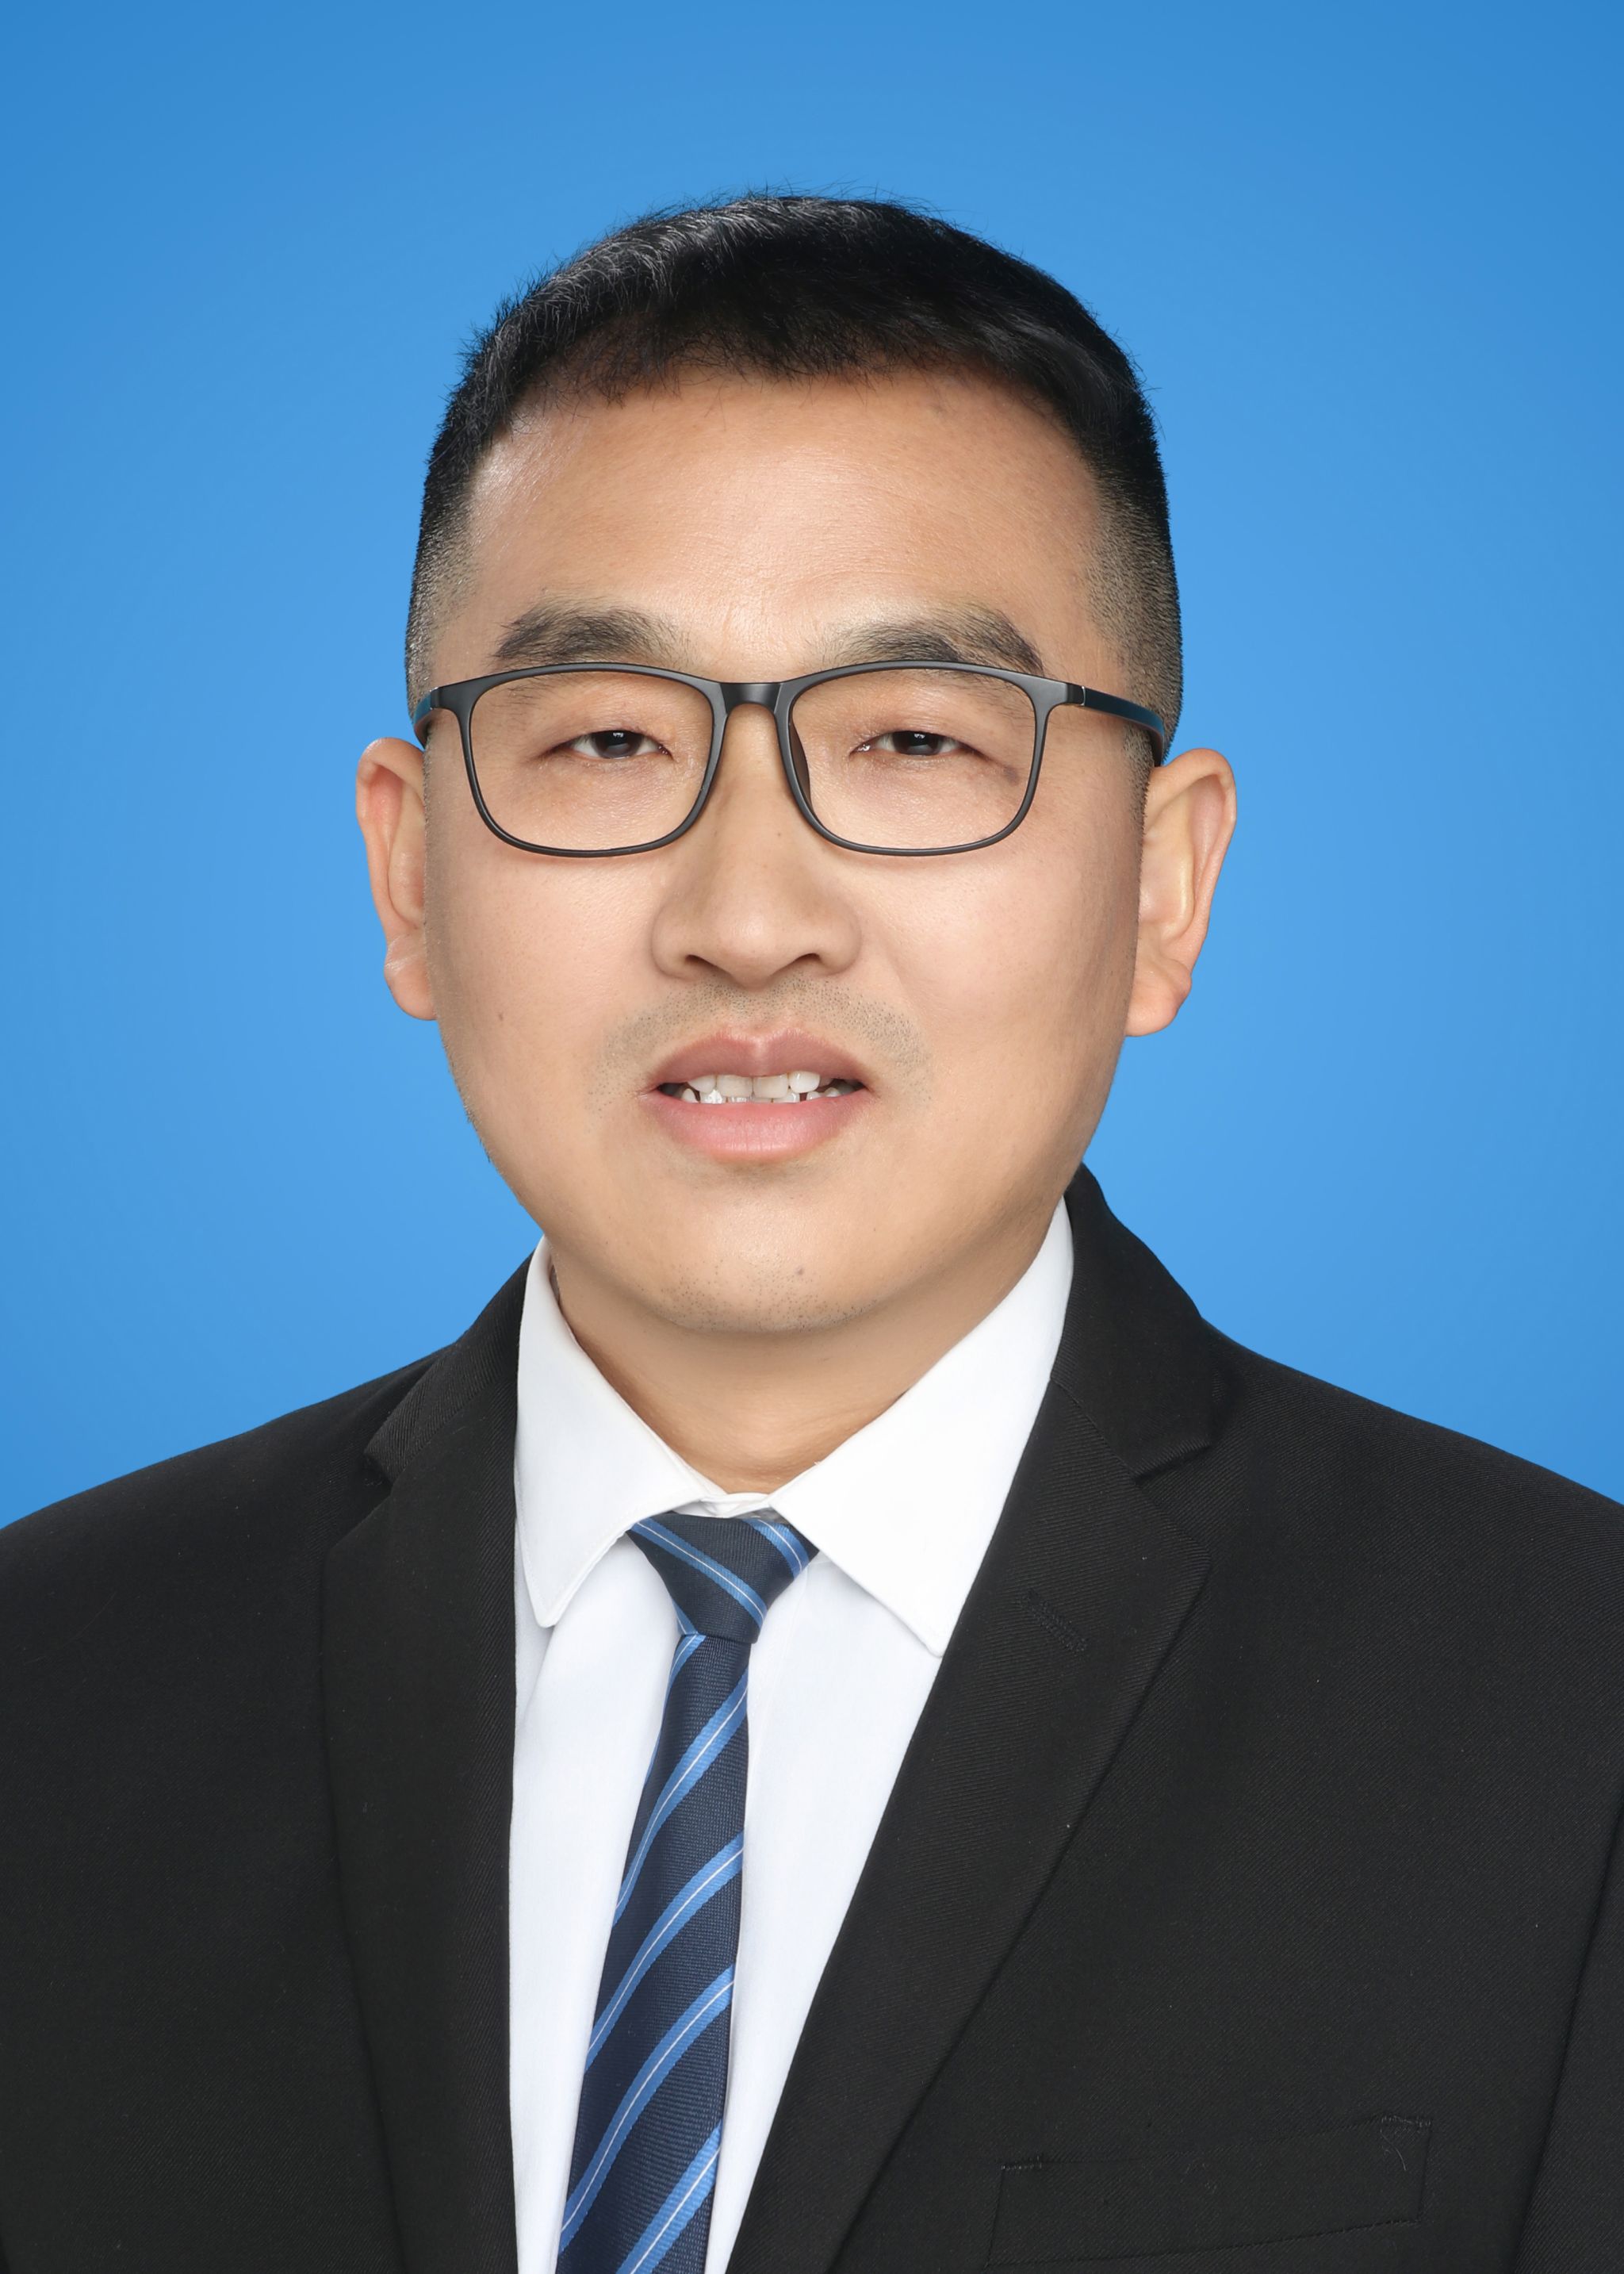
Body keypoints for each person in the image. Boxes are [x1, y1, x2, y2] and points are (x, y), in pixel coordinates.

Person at [0, 194, 1619, 2274]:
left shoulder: (1570, 1717)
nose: (750, 914)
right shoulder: (51, 1692)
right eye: (607, 741)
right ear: (408, 880)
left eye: (917, 741)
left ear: (1164, 886)